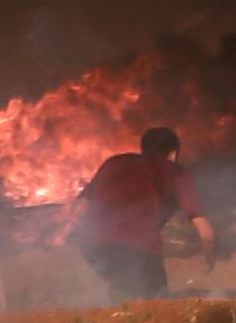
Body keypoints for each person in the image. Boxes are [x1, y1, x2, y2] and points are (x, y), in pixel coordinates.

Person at [69, 125, 209, 303]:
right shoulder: (174, 172)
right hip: (139, 247)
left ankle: (118, 311)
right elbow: (205, 232)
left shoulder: (114, 162)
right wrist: (209, 258)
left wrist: (81, 234)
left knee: (125, 285)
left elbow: (78, 208)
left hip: (93, 245)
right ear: (173, 154)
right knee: (156, 301)